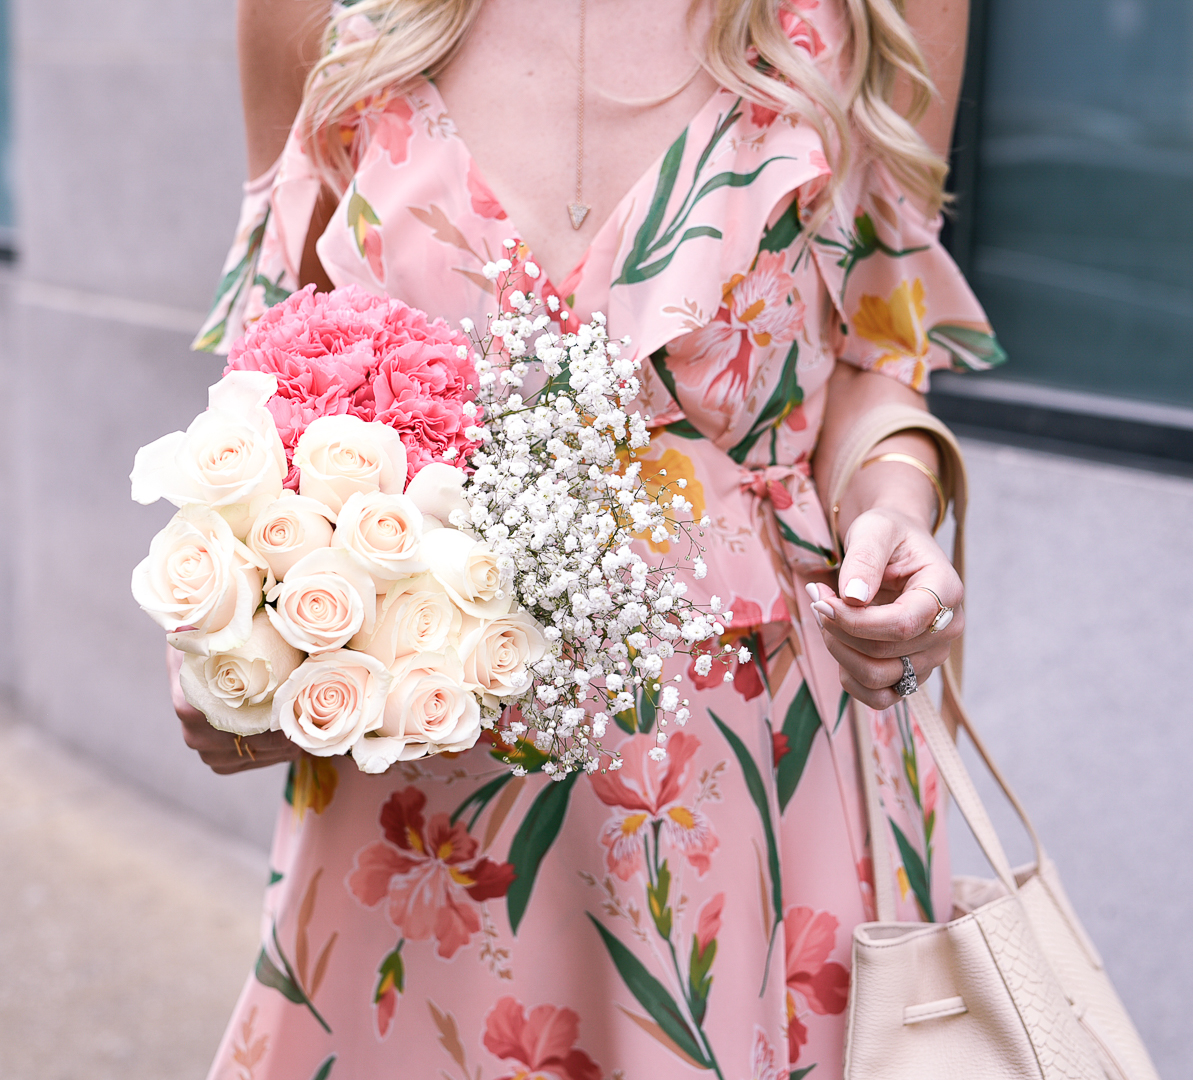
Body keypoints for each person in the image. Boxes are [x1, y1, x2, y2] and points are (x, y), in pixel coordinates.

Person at [175, 1, 1004, 1076]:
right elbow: (282, 370)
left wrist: (891, 506)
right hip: (425, 803)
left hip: (753, 771)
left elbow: (873, 354)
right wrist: (241, 629)